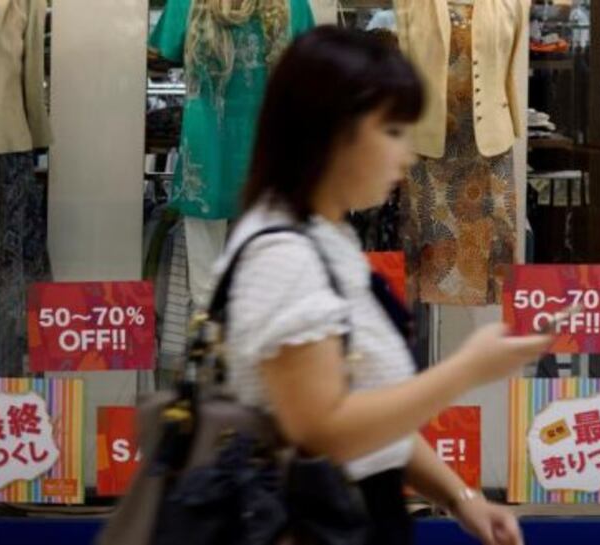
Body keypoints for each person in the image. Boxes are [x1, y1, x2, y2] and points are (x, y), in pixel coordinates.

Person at [217, 26, 551, 545]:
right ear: (331, 129)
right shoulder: (281, 255)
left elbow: (370, 410)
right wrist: (467, 370)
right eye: (392, 131)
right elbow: (325, 430)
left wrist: (461, 499)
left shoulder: (327, 237)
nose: (408, 154)